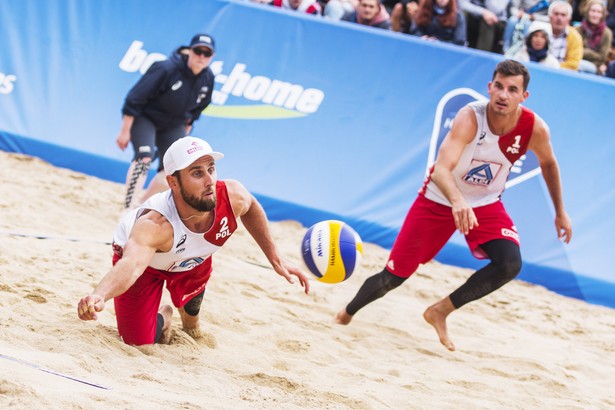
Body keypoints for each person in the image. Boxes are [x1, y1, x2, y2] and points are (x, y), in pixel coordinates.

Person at [334, 60, 572, 351]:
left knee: (510, 264)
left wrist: (560, 211)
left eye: (512, 90)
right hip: (438, 199)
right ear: (489, 87)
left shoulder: (534, 127)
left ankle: (441, 311)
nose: (503, 95)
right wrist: (457, 201)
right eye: (498, 86)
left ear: (524, 96)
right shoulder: (470, 117)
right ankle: (346, 314)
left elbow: (549, 163)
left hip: (484, 203)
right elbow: (441, 169)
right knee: (393, 277)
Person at [78, 137, 311, 345]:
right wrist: (99, 295)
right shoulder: (155, 225)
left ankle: (190, 322)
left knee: (192, 321)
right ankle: (165, 315)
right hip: (148, 265)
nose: (209, 180)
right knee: (137, 341)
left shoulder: (232, 196)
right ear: (173, 183)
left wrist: (275, 257)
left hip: (193, 259)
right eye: (197, 173)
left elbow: (252, 207)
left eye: (211, 168)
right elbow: (131, 267)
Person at [117, 34, 216, 211]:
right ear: (189, 51)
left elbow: (196, 111)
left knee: (175, 170)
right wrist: (125, 131)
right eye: (198, 51)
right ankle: (128, 206)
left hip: (174, 124)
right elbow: (134, 99)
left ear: (212, 57)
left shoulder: (208, 78)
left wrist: (184, 134)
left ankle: (141, 206)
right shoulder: (165, 68)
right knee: (144, 159)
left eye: (206, 53)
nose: (201, 56)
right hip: (146, 117)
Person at [575, 0, 613, 74]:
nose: (595, 15)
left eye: (599, 12)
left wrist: (583, 51)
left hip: (596, 66)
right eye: (593, 11)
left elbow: (602, 57)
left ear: (603, 15)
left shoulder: (607, 33)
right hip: (576, 61)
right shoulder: (577, 29)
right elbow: (574, 52)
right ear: (587, 12)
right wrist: (594, 54)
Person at [548, 0, 583, 70]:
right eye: (556, 14)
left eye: (563, 15)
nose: (559, 18)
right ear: (550, 16)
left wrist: (553, 68)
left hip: (562, 74)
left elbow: (573, 64)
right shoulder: (540, 31)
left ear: (569, 19)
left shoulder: (575, 37)